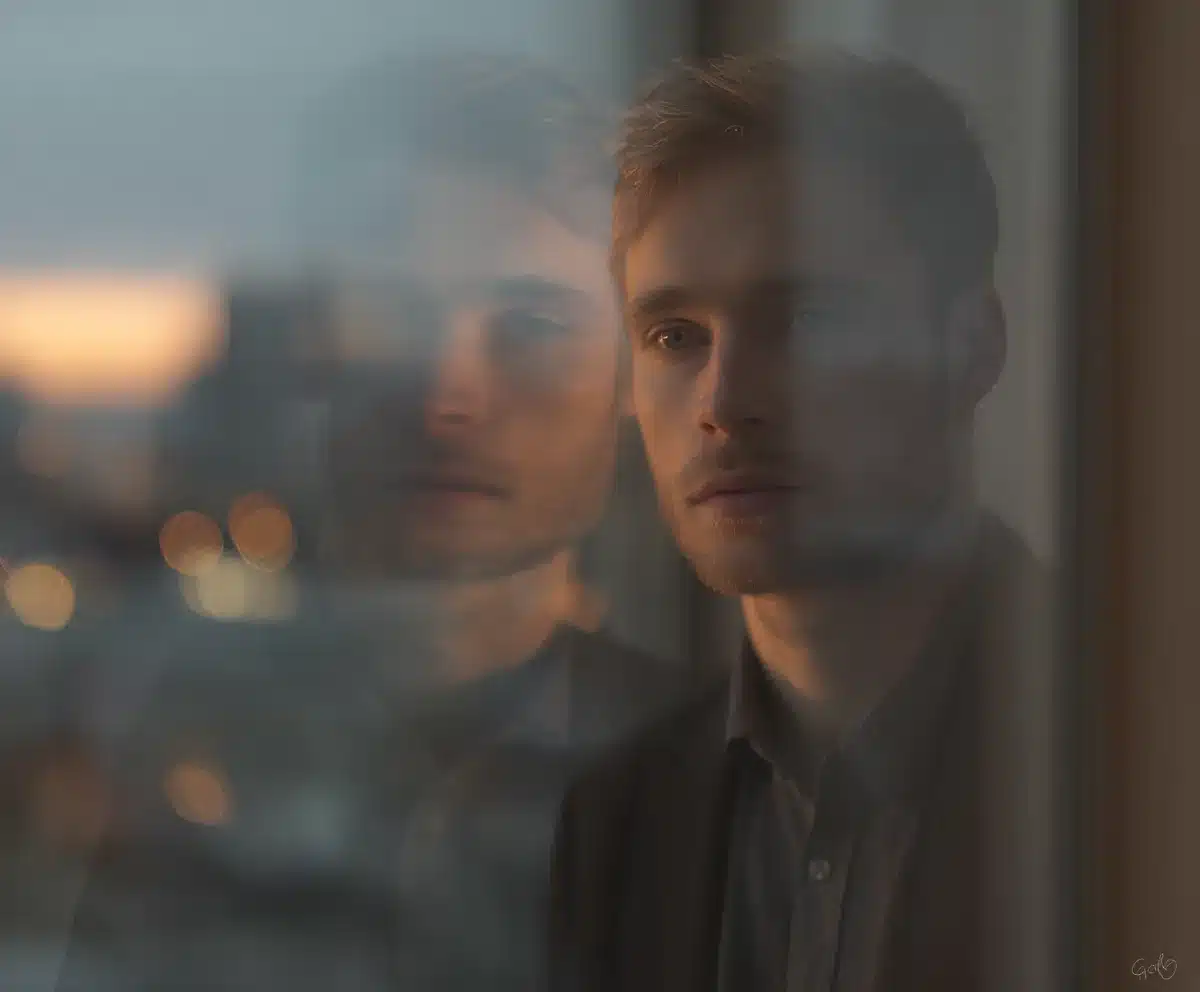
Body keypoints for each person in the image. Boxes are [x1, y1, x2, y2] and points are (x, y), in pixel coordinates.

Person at [57, 53, 681, 992]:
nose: (447, 392)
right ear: (314, 347)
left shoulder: (720, 772)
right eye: (392, 318)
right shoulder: (177, 738)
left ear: (631, 379)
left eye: (535, 325)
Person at [549, 51, 1048, 992]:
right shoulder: (617, 817)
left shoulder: (1114, 731)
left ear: (973, 346)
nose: (726, 402)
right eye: (674, 337)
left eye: (809, 319)